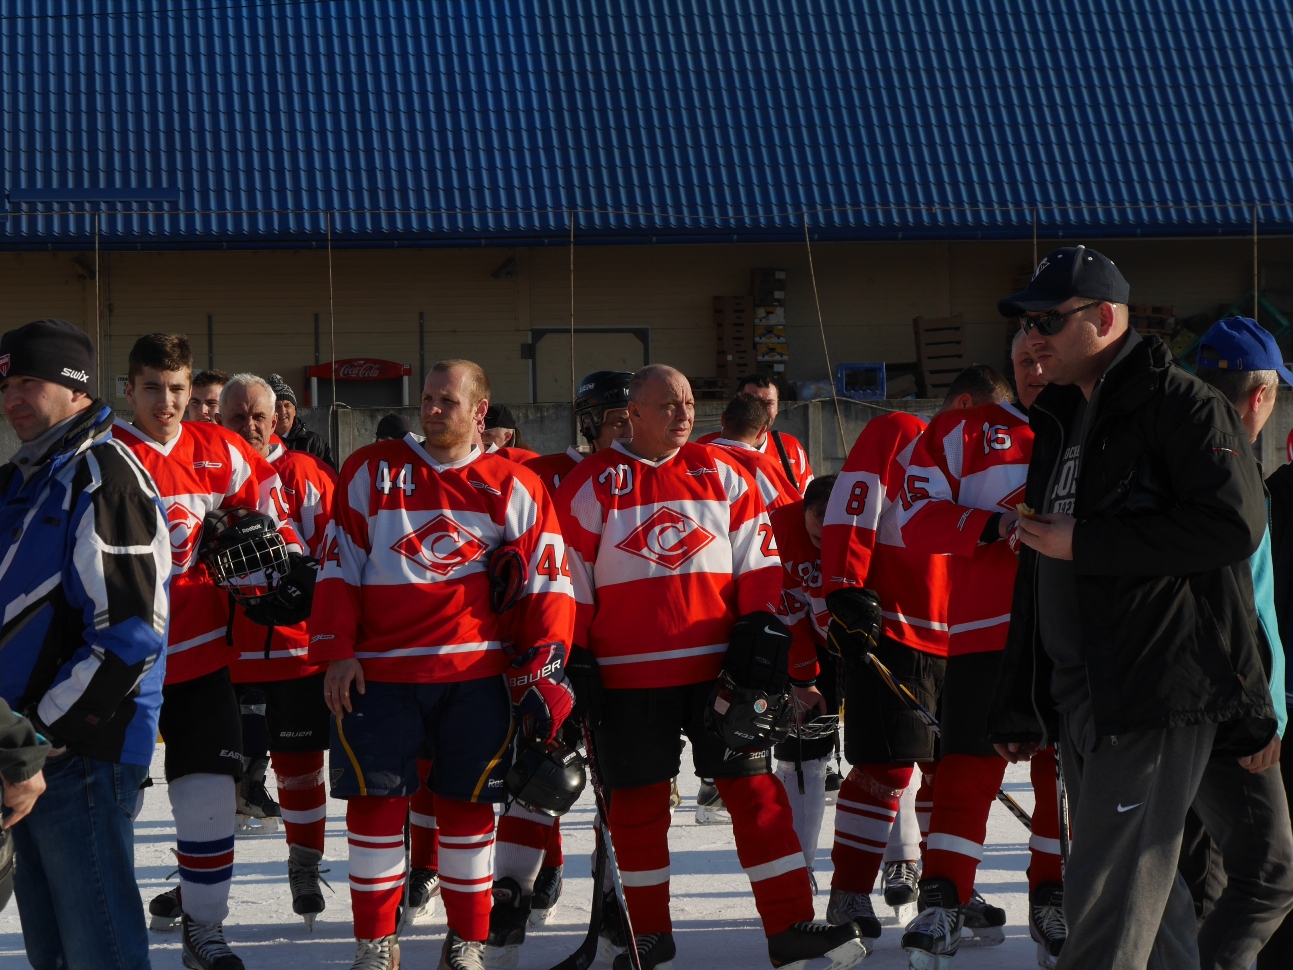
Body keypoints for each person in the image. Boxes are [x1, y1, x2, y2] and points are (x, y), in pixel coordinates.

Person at [991, 246, 1274, 970]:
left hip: (1150, 688)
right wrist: (1023, 700)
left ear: (1105, 319)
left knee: (1108, 892)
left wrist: (1086, 541)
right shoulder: (1059, 419)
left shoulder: (1180, 404)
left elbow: (1230, 529)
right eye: (1025, 323)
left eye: (1049, 320)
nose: (1031, 338)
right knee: (1152, 895)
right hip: (1084, 689)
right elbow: (1042, 565)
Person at [556, 363, 865, 970]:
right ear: (633, 413)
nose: (683, 413)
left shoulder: (722, 473)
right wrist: (576, 656)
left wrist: (762, 628)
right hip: (627, 680)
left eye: (690, 401)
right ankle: (649, 933)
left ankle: (790, 925)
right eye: (668, 403)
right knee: (639, 807)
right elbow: (570, 579)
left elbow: (759, 560)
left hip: (720, 675)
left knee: (756, 793)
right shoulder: (592, 484)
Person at [310, 359, 577, 970]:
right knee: (375, 812)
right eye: (427, 399)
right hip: (379, 675)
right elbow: (337, 565)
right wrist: (336, 651)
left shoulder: (514, 484)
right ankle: (375, 942)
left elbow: (548, 583)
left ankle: (468, 940)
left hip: (475, 678)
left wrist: (545, 664)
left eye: (447, 402)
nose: (432, 410)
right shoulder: (370, 471)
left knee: (468, 811)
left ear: (481, 411)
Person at [116, 334, 301, 970]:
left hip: (199, 657)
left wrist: (275, 574)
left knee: (209, 799)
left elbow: (275, 530)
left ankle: (205, 928)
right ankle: (109, 925)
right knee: (114, 803)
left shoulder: (221, 450)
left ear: (190, 388)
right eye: (151, 388)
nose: (165, 402)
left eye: (176, 389)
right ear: (129, 389)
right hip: (119, 666)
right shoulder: (102, 455)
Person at [819, 364, 1012, 950]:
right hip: (895, 628)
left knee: (951, 769)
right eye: (981, 420)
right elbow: (850, 506)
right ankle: (849, 891)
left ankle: (946, 888)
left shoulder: (985, 459)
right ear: (960, 403)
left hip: (962, 635)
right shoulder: (899, 431)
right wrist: (845, 590)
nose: (983, 436)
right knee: (887, 766)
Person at [0, 319, 169, 970]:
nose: (14, 398)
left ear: (76, 389)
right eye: (7, 384)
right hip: (25, 761)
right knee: (53, 954)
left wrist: (37, 742)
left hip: (80, 759)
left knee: (99, 950)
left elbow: (129, 636)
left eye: (30, 382)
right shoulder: (25, 478)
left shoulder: (103, 474)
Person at [897, 333, 1065, 969]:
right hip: (985, 631)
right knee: (968, 766)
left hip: (1072, 632)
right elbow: (914, 516)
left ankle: (1054, 895)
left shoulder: (1106, 430)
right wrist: (991, 524)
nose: (1037, 370)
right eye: (1024, 361)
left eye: (1048, 357)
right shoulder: (962, 432)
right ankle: (943, 898)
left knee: (1062, 771)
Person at [1181, 317, 1293, 970]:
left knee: (1203, 880)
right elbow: (1234, 608)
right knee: (1268, 876)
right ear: (1260, 396)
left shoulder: (1175, 466)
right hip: (1234, 713)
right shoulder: (1233, 477)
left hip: (1182, 708)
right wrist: (1257, 711)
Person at [220, 373, 338, 928]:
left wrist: (309, 582)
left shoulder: (307, 475)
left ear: (278, 418)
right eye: (236, 416)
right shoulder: (205, 474)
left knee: (298, 766)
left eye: (257, 416)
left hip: (295, 651)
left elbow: (339, 554)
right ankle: (198, 878)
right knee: (207, 772)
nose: (248, 426)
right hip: (220, 653)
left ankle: (303, 862)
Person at [769, 474, 840, 884]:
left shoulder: (870, 520)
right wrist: (803, 679)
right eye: (815, 536)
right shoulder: (778, 528)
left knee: (888, 752)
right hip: (803, 644)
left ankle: (901, 861)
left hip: (862, 640)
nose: (820, 547)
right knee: (803, 753)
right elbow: (788, 612)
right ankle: (801, 864)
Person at [698, 373, 812, 494]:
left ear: (778, 407)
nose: (761, 411)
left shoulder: (791, 447)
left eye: (769, 403)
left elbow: (809, 501)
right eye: (754, 402)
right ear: (737, 403)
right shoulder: (703, 448)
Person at [523, 370, 633, 493]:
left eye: (638, 422)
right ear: (588, 423)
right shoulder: (542, 474)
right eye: (619, 423)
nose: (631, 433)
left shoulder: (651, 475)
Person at [707, 392, 800, 512]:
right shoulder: (763, 466)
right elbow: (787, 514)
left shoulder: (696, 454)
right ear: (762, 431)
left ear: (722, 418)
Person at [268, 372, 336, 469]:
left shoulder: (314, 442)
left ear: (295, 411)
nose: (282, 411)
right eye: (277, 406)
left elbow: (329, 476)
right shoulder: (261, 442)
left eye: (287, 405)